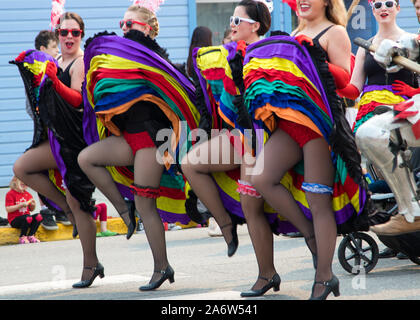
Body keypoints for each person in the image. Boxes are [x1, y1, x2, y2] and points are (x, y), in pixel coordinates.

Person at [247, 0, 370, 299]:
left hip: (320, 125)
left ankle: (324, 278)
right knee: (261, 179)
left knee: (319, 202)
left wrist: (313, 56)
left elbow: (349, 86)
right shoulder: (292, 31)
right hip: (289, 123)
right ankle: (311, 234)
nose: (302, 1)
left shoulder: (335, 32)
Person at [78, 4, 199, 291]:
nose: (124, 28)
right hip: (129, 137)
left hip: (152, 139)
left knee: (147, 203)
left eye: (131, 24)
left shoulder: (154, 57)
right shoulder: (120, 57)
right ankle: (124, 211)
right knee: (87, 159)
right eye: (122, 23)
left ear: (147, 28)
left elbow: (175, 92)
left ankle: (161, 267)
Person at [183, 0, 289, 297]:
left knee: (253, 208)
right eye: (231, 18)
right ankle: (226, 225)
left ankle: (268, 274)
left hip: (261, 138)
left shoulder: (268, 52)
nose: (232, 23)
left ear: (255, 25)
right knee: (190, 163)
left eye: (237, 19)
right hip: (238, 136)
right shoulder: (230, 53)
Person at [12, 12, 104, 289]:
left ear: (81, 35)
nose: (69, 37)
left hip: (74, 141)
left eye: (75, 33)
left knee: (81, 202)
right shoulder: (55, 61)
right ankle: (67, 210)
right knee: (22, 168)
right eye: (64, 32)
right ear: (57, 34)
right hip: (53, 139)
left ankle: (90, 264)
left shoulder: (80, 61)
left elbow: (79, 100)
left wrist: (55, 80)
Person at [339, 0, 420, 235]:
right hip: (372, 111)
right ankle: (404, 211)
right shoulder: (366, 45)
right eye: (377, 5)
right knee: (367, 139)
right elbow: (353, 87)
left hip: (404, 108)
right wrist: (327, 75)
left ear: (397, 8)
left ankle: (409, 210)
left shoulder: (413, 40)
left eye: (388, 3)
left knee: (378, 137)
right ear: (372, 11)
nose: (383, 8)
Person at [5, 177, 42, 244]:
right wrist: (20, 205)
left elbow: (31, 209)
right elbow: (8, 209)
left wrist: (33, 205)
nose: (24, 183)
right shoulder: (10, 194)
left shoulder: (28, 194)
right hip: (14, 220)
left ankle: (31, 235)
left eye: (26, 183)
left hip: (27, 219)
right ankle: (22, 236)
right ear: (15, 182)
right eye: (21, 182)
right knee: (27, 217)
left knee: (39, 216)